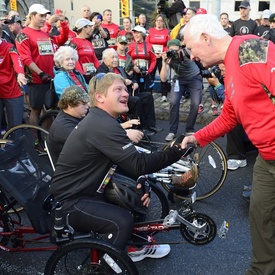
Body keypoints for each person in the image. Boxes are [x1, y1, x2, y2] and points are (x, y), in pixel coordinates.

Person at [49, 73, 188, 261]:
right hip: (70, 201)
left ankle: (136, 246)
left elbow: (127, 162)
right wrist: (175, 152)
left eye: (125, 88)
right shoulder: (100, 124)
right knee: (122, 221)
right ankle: (107, 264)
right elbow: (139, 164)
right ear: (99, 97)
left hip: (87, 191)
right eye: (118, 89)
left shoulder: (102, 119)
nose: (125, 93)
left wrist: (141, 179)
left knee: (133, 195)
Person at [181, 14, 275, 275]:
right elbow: (230, 116)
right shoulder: (230, 64)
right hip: (267, 160)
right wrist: (197, 137)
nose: (191, 56)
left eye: (191, 48)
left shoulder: (249, 48)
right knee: (261, 216)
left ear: (205, 38)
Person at [15, 4, 69, 130]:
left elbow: (58, 44)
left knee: (50, 109)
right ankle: (36, 140)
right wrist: (40, 73)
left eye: (45, 16)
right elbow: (26, 58)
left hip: (51, 77)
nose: (44, 18)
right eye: (41, 16)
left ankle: (47, 139)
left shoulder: (45, 34)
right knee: (36, 110)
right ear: (32, 16)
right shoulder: (23, 35)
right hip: (36, 79)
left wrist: (63, 24)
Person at [97, 47, 161, 136]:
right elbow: (108, 87)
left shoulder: (119, 69)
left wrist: (134, 82)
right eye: (112, 58)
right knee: (136, 100)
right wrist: (123, 82)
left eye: (116, 57)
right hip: (117, 98)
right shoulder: (101, 71)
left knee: (147, 96)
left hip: (128, 93)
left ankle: (150, 125)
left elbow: (131, 78)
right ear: (104, 59)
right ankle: (140, 128)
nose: (115, 60)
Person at [160, 39, 203, 142]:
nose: (173, 53)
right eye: (171, 50)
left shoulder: (186, 52)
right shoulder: (168, 56)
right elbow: (163, 79)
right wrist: (164, 63)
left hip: (194, 77)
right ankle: (172, 131)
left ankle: (189, 129)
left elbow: (192, 53)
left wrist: (182, 54)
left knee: (196, 103)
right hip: (179, 78)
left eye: (176, 50)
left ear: (180, 48)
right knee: (174, 102)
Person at [47, 85, 90, 165]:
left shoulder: (76, 114)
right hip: (74, 169)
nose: (87, 106)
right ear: (70, 105)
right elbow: (91, 143)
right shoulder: (62, 127)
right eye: (83, 104)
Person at [0, 25, 27, 132]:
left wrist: (20, 73)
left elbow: (17, 61)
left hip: (11, 90)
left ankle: (17, 147)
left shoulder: (9, 47)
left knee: (15, 127)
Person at [147, 14, 170, 102]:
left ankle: (164, 94)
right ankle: (149, 93)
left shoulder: (166, 32)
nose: (159, 22)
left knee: (163, 75)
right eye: (157, 20)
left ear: (163, 22)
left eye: (160, 21)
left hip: (162, 56)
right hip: (152, 56)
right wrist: (153, 53)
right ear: (155, 22)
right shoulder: (150, 31)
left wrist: (162, 53)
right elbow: (147, 43)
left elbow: (168, 45)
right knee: (150, 74)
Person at [69, 18, 100, 83]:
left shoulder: (88, 42)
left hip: (92, 75)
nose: (92, 28)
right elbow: (75, 60)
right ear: (84, 28)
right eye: (90, 27)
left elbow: (95, 59)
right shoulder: (73, 42)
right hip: (81, 76)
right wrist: (82, 74)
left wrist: (101, 70)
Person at [127, 25, 157, 93]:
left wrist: (148, 71)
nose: (135, 35)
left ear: (143, 34)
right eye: (134, 33)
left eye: (138, 33)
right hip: (134, 74)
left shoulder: (149, 46)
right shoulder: (131, 45)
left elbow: (154, 60)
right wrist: (133, 67)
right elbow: (127, 59)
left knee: (147, 92)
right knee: (135, 92)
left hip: (145, 73)